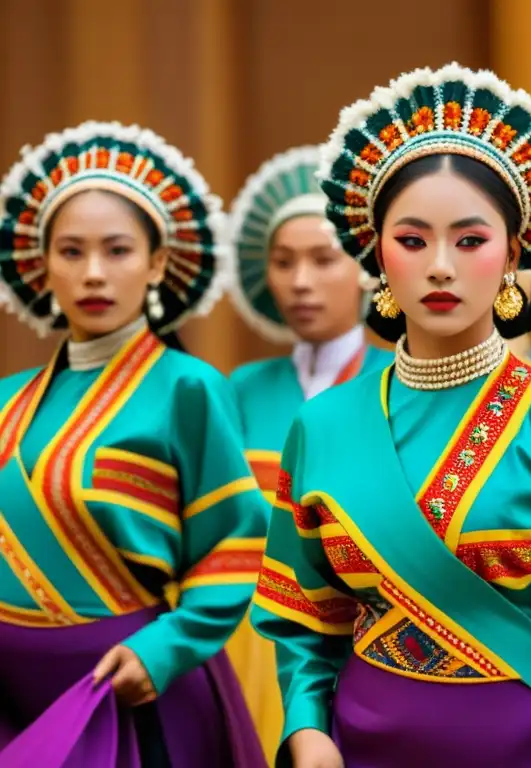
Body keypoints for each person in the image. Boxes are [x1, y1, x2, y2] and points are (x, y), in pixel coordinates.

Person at [250, 63, 531, 768]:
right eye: (413, 241)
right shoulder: (320, 426)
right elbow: (303, 624)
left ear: (513, 253)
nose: (441, 266)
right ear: (376, 254)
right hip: (360, 752)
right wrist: (307, 730)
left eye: (471, 241)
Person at [0, 121, 266, 765]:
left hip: (122, 681)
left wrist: (165, 648)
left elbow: (236, 540)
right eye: (70, 252)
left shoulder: (189, 388)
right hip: (8, 691)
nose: (93, 273)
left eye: (117, 251)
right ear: (42, 267)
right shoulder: (8, 398)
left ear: (156, 263)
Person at [225, 145, 393, 761]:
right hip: (240, 636)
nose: (300, 281)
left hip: (349, 632)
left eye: (323, 260)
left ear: (367, 268)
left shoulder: (394, 387)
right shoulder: (237, 391)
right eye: (283, 262)